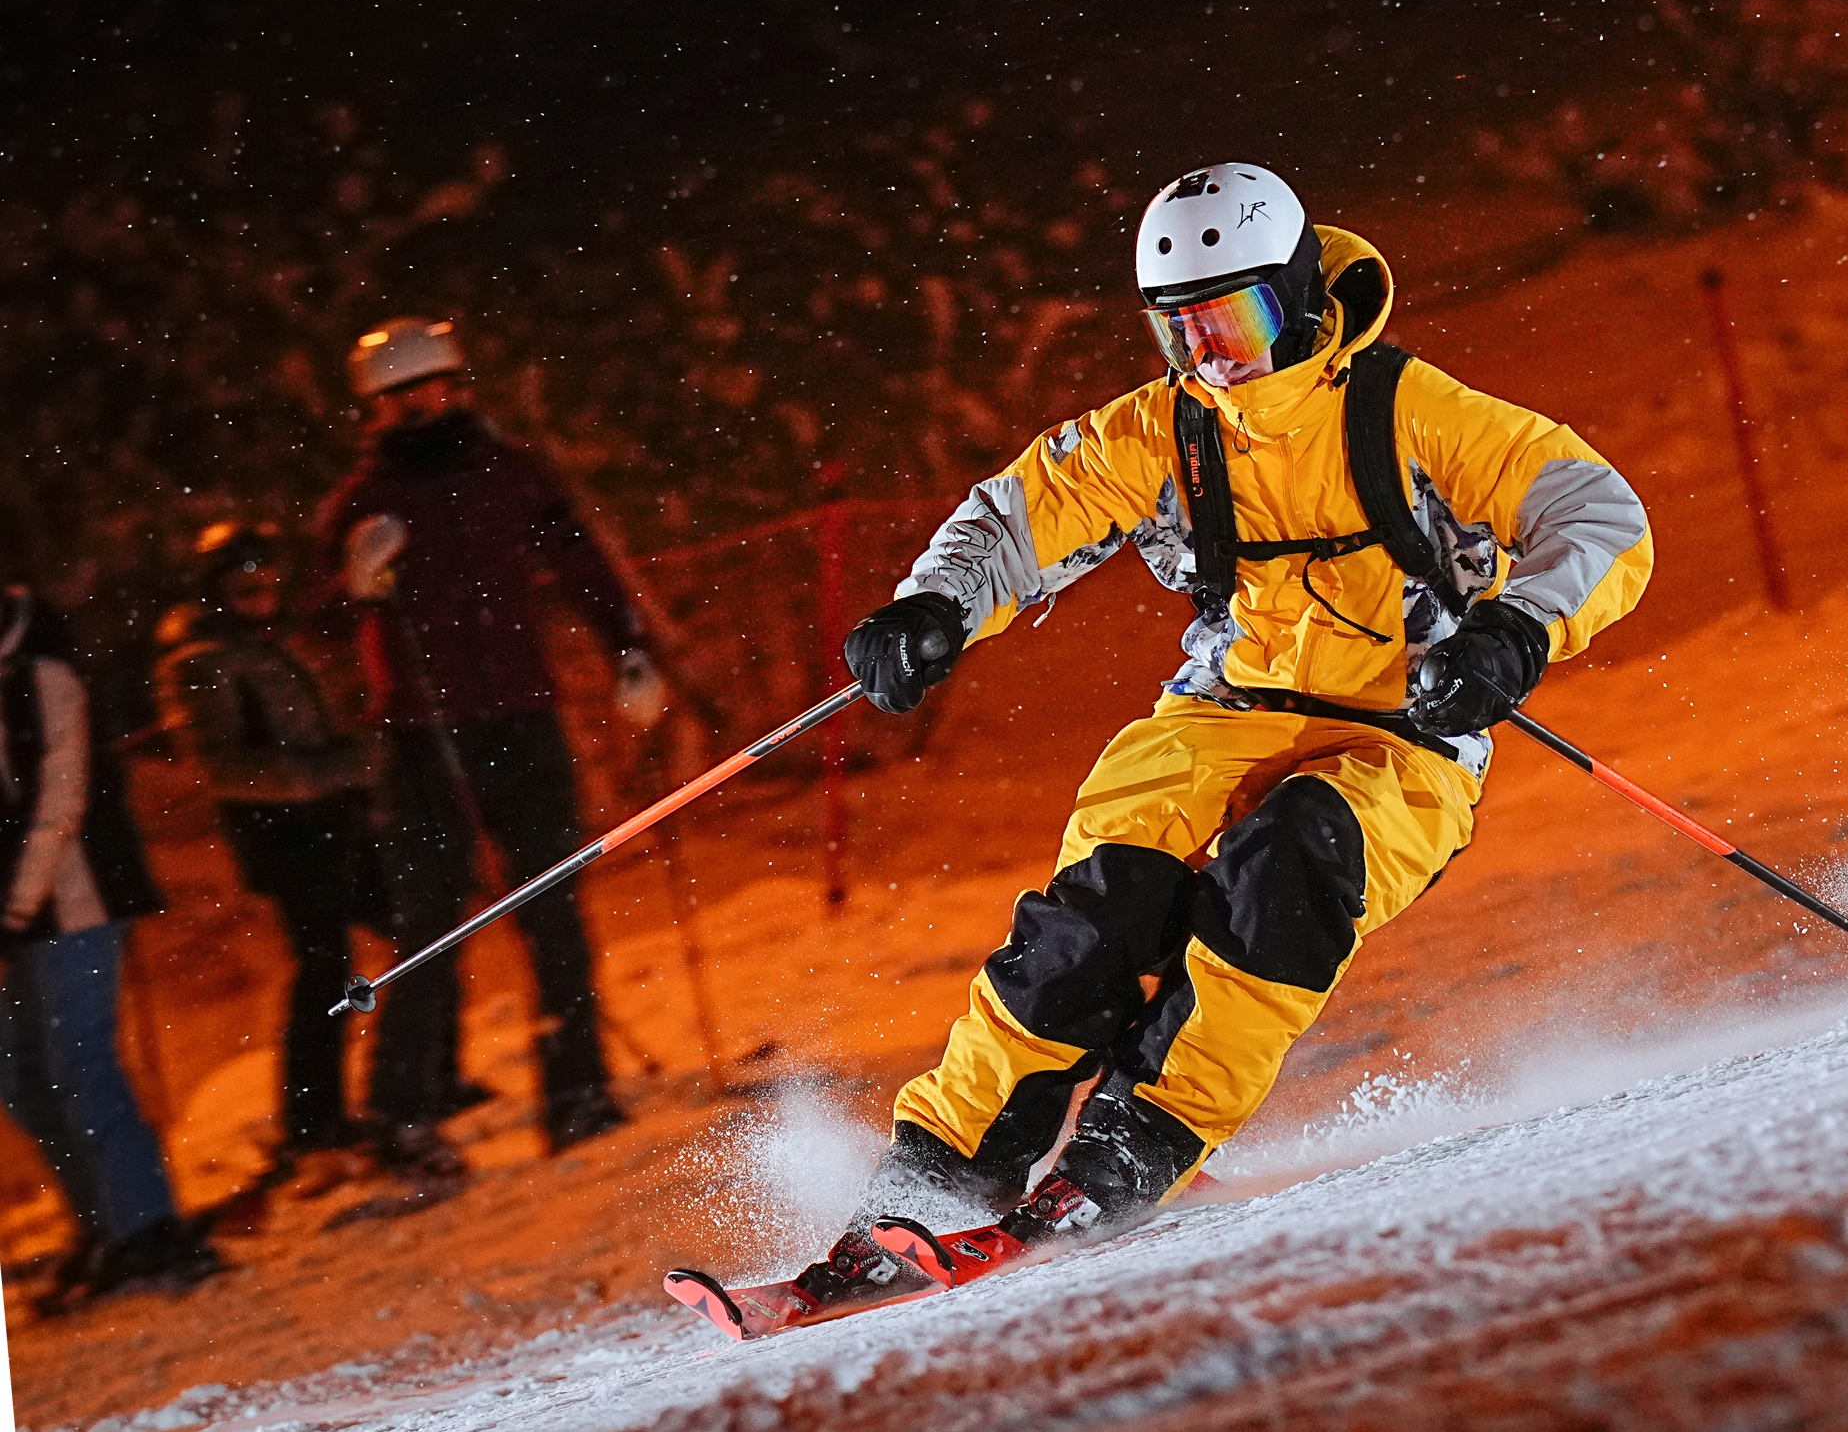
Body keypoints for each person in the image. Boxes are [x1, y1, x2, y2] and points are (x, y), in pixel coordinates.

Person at [678, 163, 1652, 1335]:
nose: (1213, 352)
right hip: (1223, 707)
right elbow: (1022, 511)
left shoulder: (1406, 410)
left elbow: (1596, 511)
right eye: (1181, 326)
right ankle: (941, 1171)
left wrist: (1511, 630)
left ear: (1297, 299)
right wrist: (931, 607)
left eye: (1234, 318)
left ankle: (1135, 1141)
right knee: (1098, 907)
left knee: (1285, 866)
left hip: (1403, 730)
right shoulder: (1166, 428)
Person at [315, 317, 669, 1163]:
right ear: (377, 407)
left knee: (554, 904)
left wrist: (629, 647)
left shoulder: (509, 473)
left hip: (521, 715)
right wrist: (354, 586)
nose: (428, 405)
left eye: (439, 386)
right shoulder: (363, 503)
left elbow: (582, 559)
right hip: (421, 736)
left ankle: (578, 1088)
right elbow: (317, 621)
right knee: (428, 921)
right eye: (405, 396)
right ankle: (403, 1112)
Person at [0, 581, 222, 1307]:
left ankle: (150, 1226)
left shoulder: (43, 676)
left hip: (76, 895)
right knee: (23, 1072)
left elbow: (60, 797)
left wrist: (18, 901)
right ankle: (102, 1222)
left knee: (80, 1063)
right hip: (26, 907)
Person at [156, 522, 385, 1166]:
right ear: (217, 591)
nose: (261, 596)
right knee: (325, 968)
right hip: (284, 835)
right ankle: (313, 1118)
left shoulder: (276, 643)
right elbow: (219, 766)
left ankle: (414, 1078)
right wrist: (335, 768)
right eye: (245, 586)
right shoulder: (200, 661)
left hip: (335, 821)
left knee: (414, 928)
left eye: (269, 584)